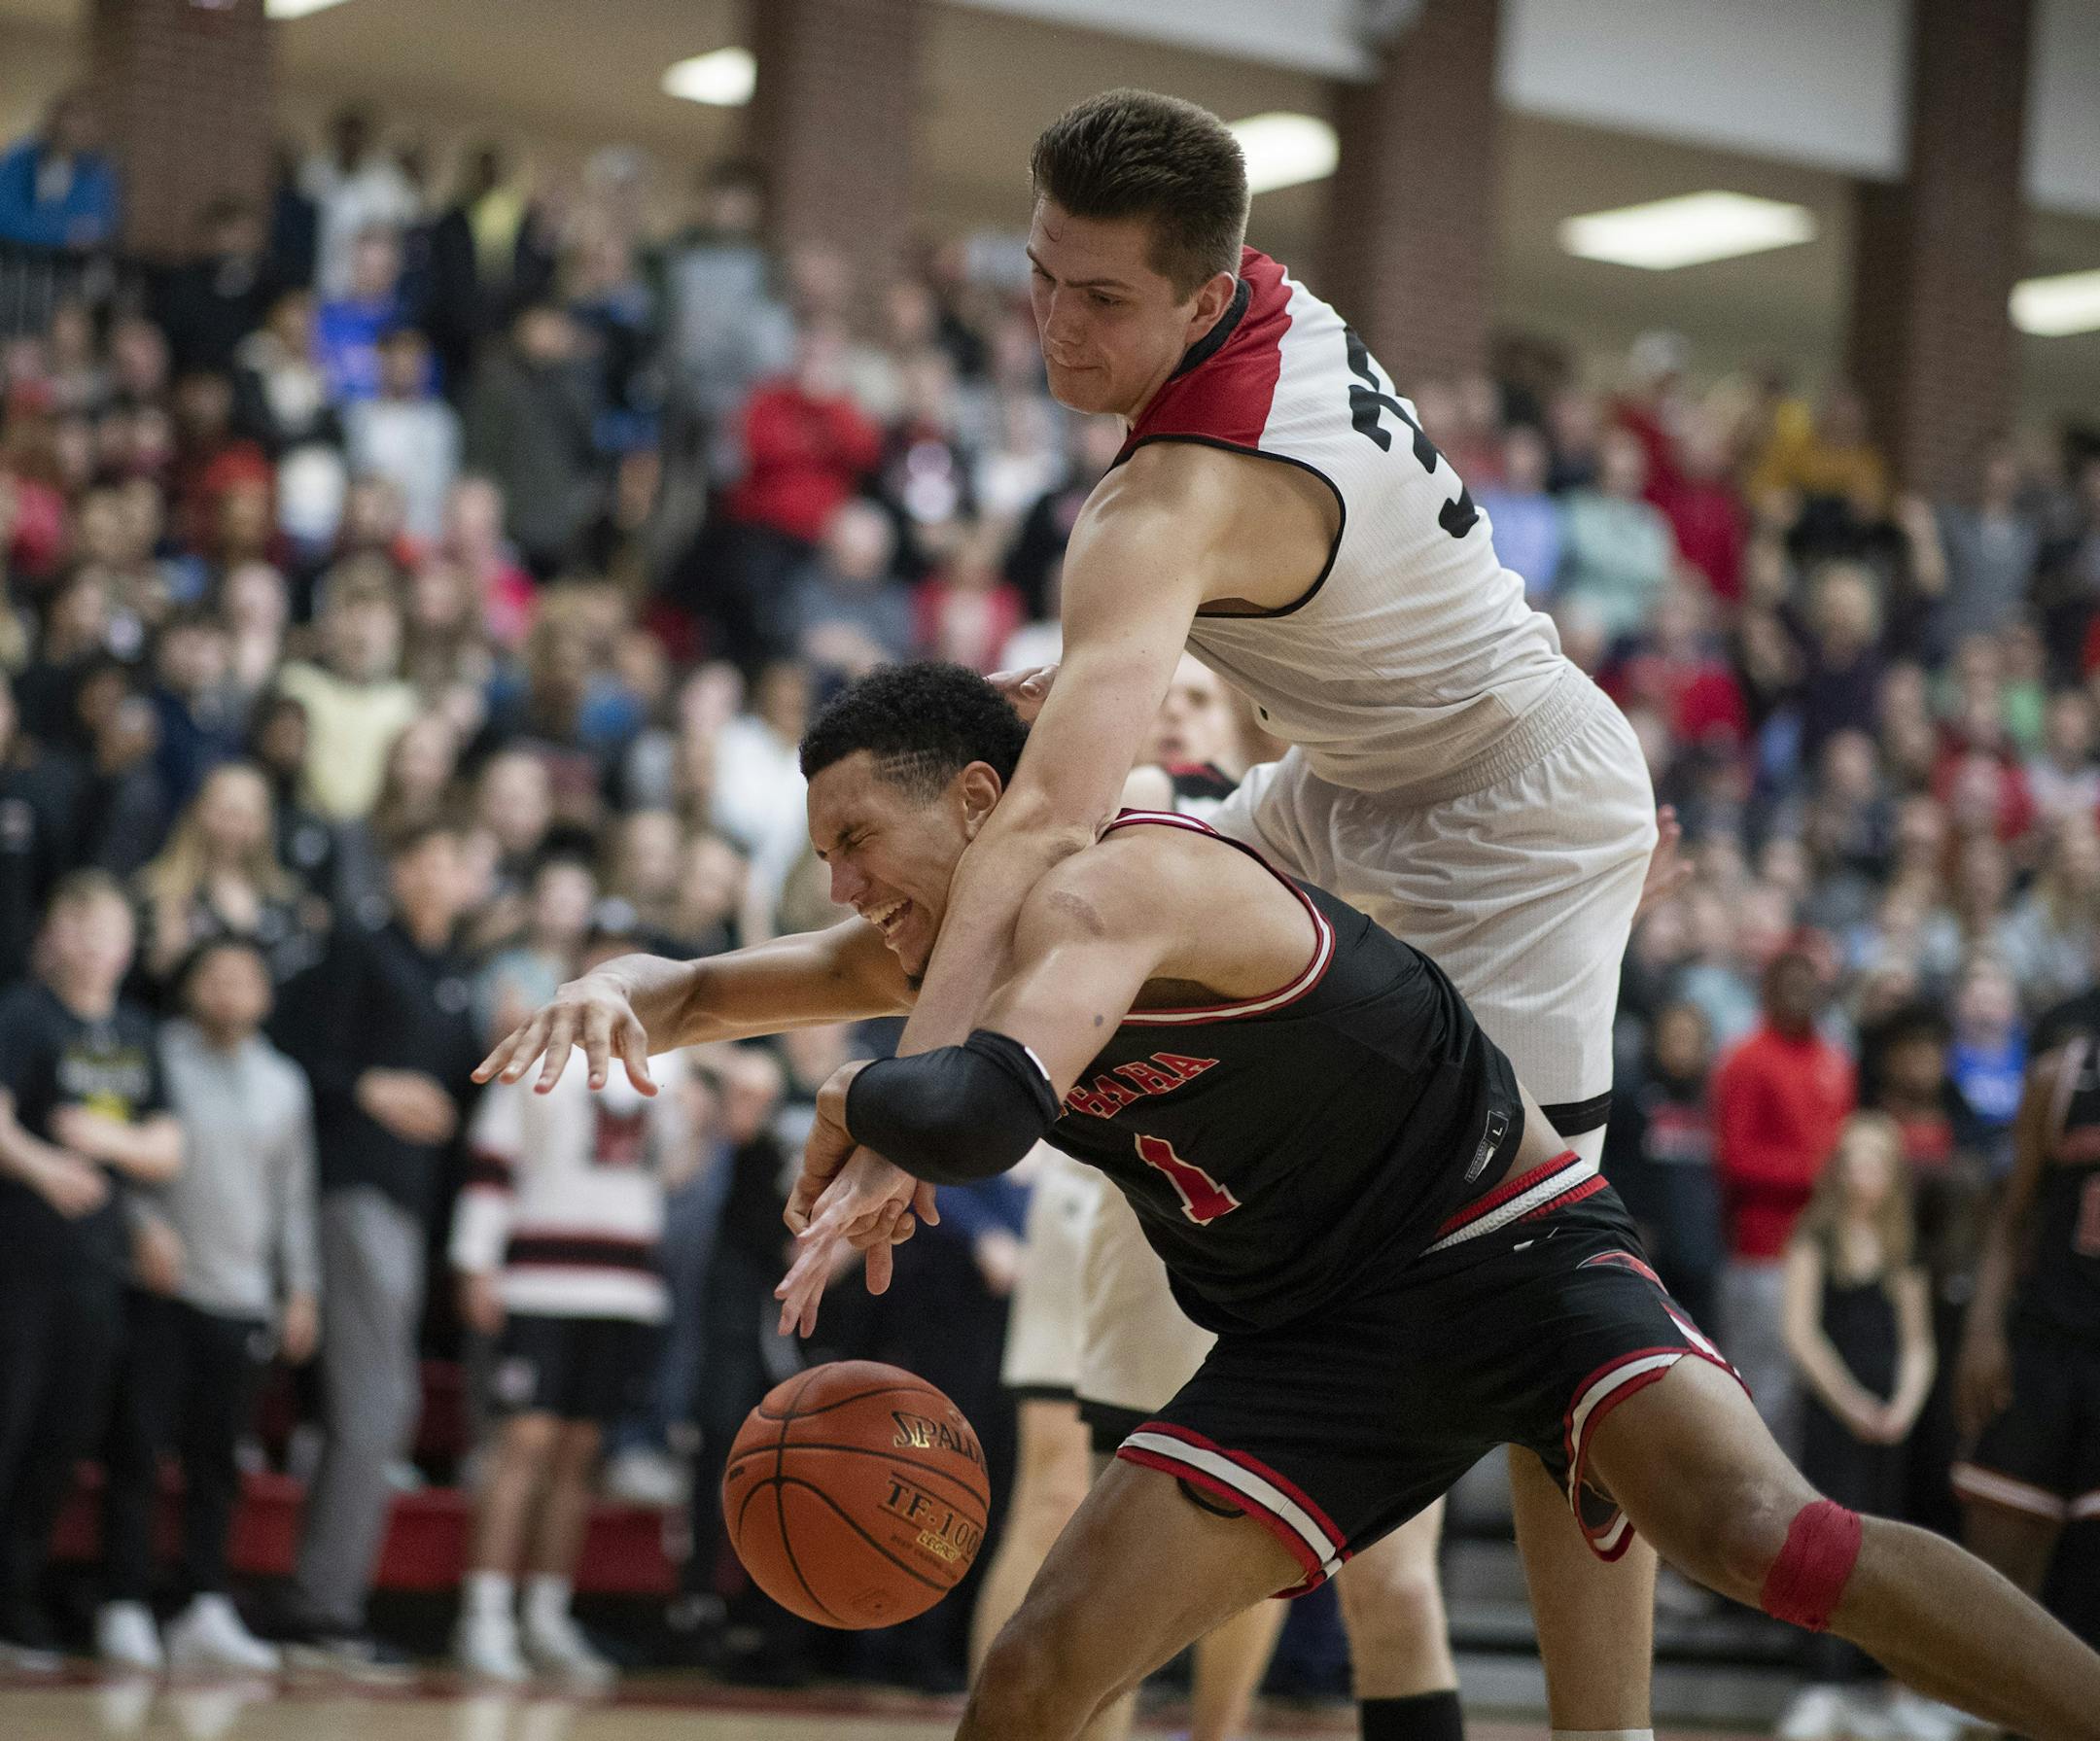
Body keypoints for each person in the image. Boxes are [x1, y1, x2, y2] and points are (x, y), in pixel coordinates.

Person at [478, 662, 2100, 1741]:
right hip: (1314, 1338)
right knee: (1040, 1671)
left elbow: (978, 1103)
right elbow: (693, 989)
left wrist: (855, 1094)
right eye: (822, 853)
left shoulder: (1133, 879)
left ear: (982, 804)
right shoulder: (924, 943)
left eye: (859, 840)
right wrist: (608, 986)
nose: (840, 886)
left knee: (1767, 1535)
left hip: (1508, 1248)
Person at [851, 89, 1673, 1739]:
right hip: (1354, 783)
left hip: (1510, 818)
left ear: (1204, 295)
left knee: (1541, 1305)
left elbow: (1047, 817)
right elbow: (1328, 587)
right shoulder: (1268, 300)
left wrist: (914, 1104)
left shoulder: (1167, 503)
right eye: (1041, 277)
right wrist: (1127, 669)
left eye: (1102, 300)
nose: (1054, 324)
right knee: (1100, 914)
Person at [449, 928, 692, 1688]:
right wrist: (474, 1260)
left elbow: (673, 1171)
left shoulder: (673, 1063)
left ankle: (546, 1614)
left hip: (625, 1287)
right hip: (539, 1280)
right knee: (521, 1445)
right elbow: (493, 1160)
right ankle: (483, 1614)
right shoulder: (539, 1045)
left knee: (578, 1457)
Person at [273, 821, 483, 1674]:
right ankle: (323, 1606)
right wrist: (366, 1084)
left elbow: (464, 1102)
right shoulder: (360, 951)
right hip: (353, 1191)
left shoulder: (456, 982)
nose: (437, 871)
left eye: (451, 857)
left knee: (370, 1406)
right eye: (422, 853)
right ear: (396, 866)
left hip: (412, 1210)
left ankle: (316, 1596)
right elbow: (287, 1049)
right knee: (378, 1405)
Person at [96, 937, 319, 1673]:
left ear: (266, 994)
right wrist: (139, 1225)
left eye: (245, 978)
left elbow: (294, 1197)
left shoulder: (285, 1081)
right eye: (216, 976)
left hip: (243, 1292)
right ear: (192, 985)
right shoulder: (155, 1054)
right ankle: (123, 1600)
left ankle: (203, 1602)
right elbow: (117, 1147)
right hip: (162, 1283)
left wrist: (301, 1288)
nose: (229, 991)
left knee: (217, 1460)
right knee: (136, 1445)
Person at [0, 872, 183, 1670]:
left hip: (99, 1267)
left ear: (127, 944)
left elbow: (169, 1148)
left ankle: (15, 1594)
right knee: (9, 1422)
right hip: (22, 1258)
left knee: (63, 1435)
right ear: (53, 937)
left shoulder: (140, 1032)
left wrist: (101, 1143)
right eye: (76, 924)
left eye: (106, 927)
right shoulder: (25, 1014)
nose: (92, 942)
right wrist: (46, 1166)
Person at [1777, 1113, 1937, 1741]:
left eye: (1876, 1157)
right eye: (1853, 1155)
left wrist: (1901, 1406)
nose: (1862, 1168)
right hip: (1833, 1415)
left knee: (1889, 1547)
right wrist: (1852, 1403)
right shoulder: (1814, 1236)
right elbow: (1800, 1332)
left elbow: (1919, 1343)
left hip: (1890, 1424)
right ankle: (1822, 1683)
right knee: (1824, 1547)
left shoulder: (1903, 1243)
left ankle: (1882, 1688)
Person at [1951, 989, 2100, 1614]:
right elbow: (2011, 1219)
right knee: (2002, 1575)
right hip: (2044, 1346)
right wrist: (1983, 1333)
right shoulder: (2062, 1076)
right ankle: (1986, 1711)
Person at [1714, 949, 1858, 1453]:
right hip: (1765, 1248)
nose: (1801, 992)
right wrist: (1820, 1175)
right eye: (1789, 981)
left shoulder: (1835, 1058)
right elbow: (1734, 1157)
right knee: (1763, 1389)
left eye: (1810, 980)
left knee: (1816, 1395)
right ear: (1768, 990)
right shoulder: (1746, 1057)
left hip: (1829, 1250)